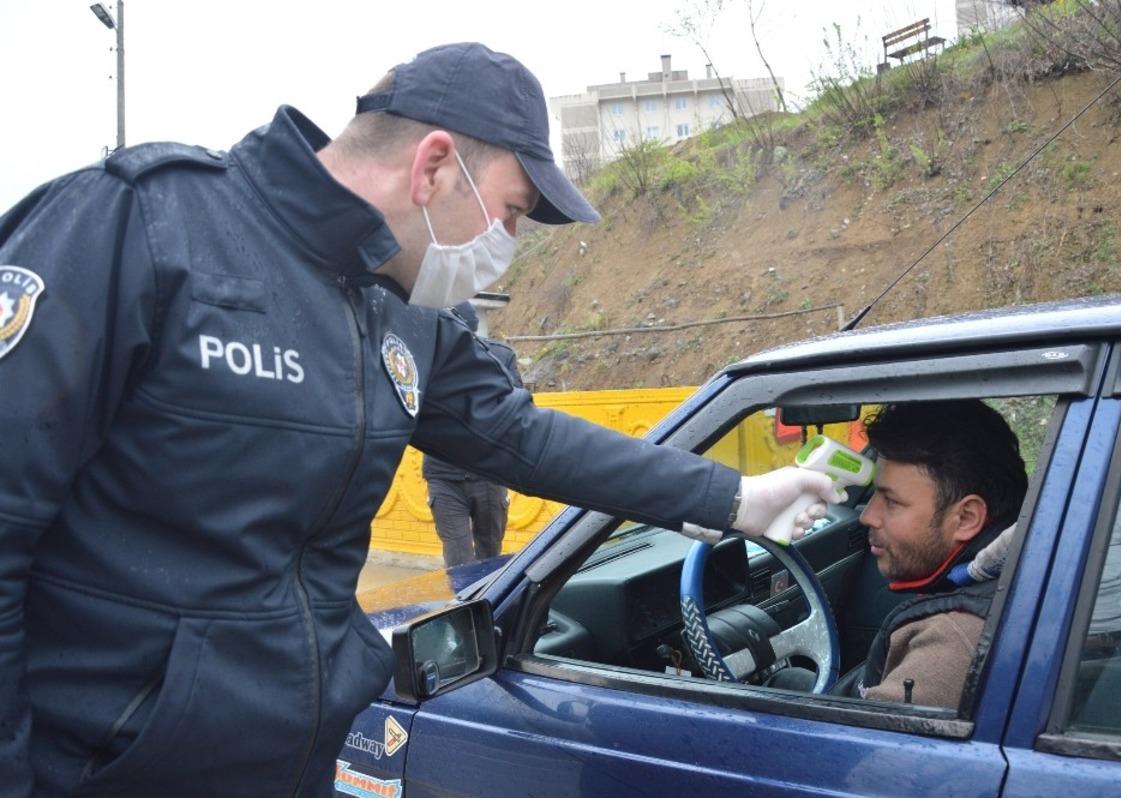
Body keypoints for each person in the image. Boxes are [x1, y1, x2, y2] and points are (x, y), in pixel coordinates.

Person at [0, 42, 837, 796]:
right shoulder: (144, 225)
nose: (508, 242)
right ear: (434, 166)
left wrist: (734, 498)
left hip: (288, 767)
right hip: (107, 769)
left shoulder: (407, 313)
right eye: (511, 212)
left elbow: (528, 438)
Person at [852, 400, 1028, 708]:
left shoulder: (952, 644)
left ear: (966, 518)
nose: (868, 516)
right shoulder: (1020, 569)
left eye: (891, 502)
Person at [423, 302, 522, 567]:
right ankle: (464, 596)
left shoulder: (500, 357)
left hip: (489, 473)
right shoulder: (426, 360)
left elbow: (515, 407)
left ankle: (491, 596)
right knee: (458, 560)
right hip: (444, 477)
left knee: (490, 555)